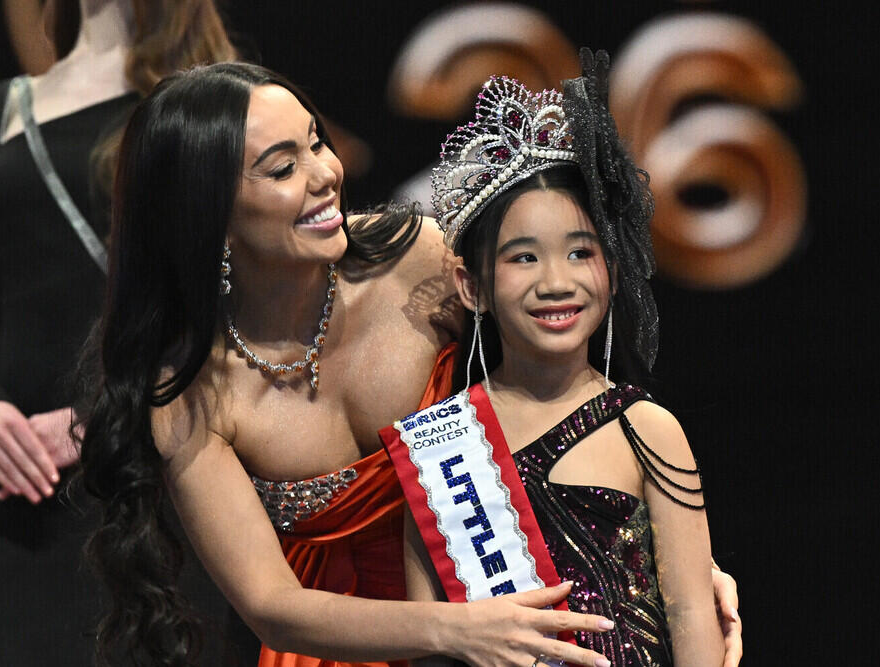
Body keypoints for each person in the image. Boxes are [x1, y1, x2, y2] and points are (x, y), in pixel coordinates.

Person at [76, 60, 742, 667]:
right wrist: (455, 630)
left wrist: (670, 553)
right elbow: (271, 603)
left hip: (519, 602)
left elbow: (567, 399)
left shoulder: (419, 261)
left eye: (316, 142)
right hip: (347, 644)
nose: (325, 174)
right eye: (282, 168)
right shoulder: (192, 392)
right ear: (210, 215)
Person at [397, 50, 725, 666]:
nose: (556, 282)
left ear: (614, 269)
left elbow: (696, 633)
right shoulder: (440, 449)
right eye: (524, 258)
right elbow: (429, 647)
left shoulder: (647, 431)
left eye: (580, 253)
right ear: (473, 287)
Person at [0, 0, 236, 663]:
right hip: (12, 493)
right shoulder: (4, 110)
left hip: (161, 477)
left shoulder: (216, 97)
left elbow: (245, 305)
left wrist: (103, 417)